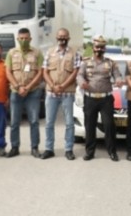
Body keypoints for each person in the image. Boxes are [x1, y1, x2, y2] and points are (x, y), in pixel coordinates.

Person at [76, 34, 123, 161]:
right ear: (93, 47)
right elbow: (79, 75)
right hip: (90, 98)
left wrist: (118, 80)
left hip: (106, 99)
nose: (99, 49)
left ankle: (112, 151)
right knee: (90, 126)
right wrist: (82, 83)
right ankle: (90, 152)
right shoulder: (85, 62)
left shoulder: (110, 63)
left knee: (109, 125)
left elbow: (117, 75)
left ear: (104, 49)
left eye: (102, 47)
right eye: (97, 47)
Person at [40, 28, 82, 161]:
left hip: (67, 93)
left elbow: (75, 72)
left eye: (65, 36)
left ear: (68, 38)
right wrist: (53, 86)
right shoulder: (50, 52)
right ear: (56, 38)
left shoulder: (75, 53)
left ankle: (68, 149)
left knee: (69, 123)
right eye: (60, 36)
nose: (62, 38)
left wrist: (63, 86)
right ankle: (49, 149)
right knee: (49, 123)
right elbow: (45, 71)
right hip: (51, 94)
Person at [5, 28, 44, 158]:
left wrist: (27, 87)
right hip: (16, 92)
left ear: (30, 39)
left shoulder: (37, 53)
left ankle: (34, 147)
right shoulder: (11, 53)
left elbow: (40, 72)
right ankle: (14, 147)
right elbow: (8, 72)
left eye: (26, 38)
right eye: (21, 39)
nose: (23, 41)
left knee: (34, 121)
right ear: (17, 39)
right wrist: (17, 86)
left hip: (33, 92)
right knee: (15, 121)